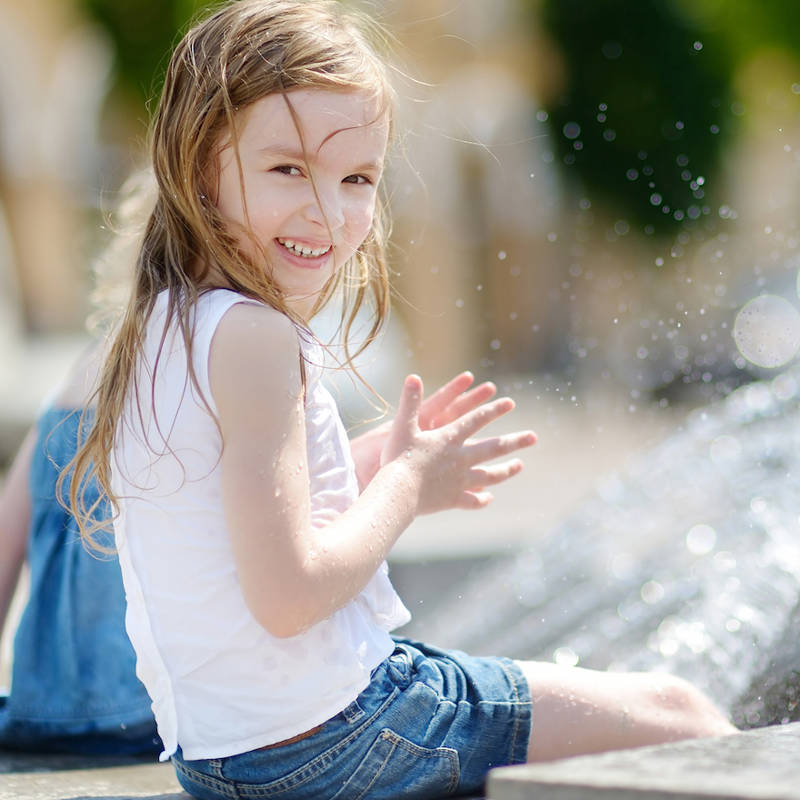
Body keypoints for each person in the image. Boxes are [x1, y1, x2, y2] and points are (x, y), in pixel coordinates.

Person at [67, 1, 736, 797]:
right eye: (289, 169)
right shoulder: (256, 339)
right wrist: (407, 486)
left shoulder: (161, 325)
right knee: (681, 712)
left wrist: (376, 457)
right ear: (199, 163)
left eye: (357, 179)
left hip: (223, 759)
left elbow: (235, 514)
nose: (328, 210)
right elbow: (287, 598)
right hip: (335, 737)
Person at [0, 345, 159, 755]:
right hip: (154, 710)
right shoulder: (210, 359)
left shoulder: (84, 368)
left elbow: (6, 537)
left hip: (45, 703)